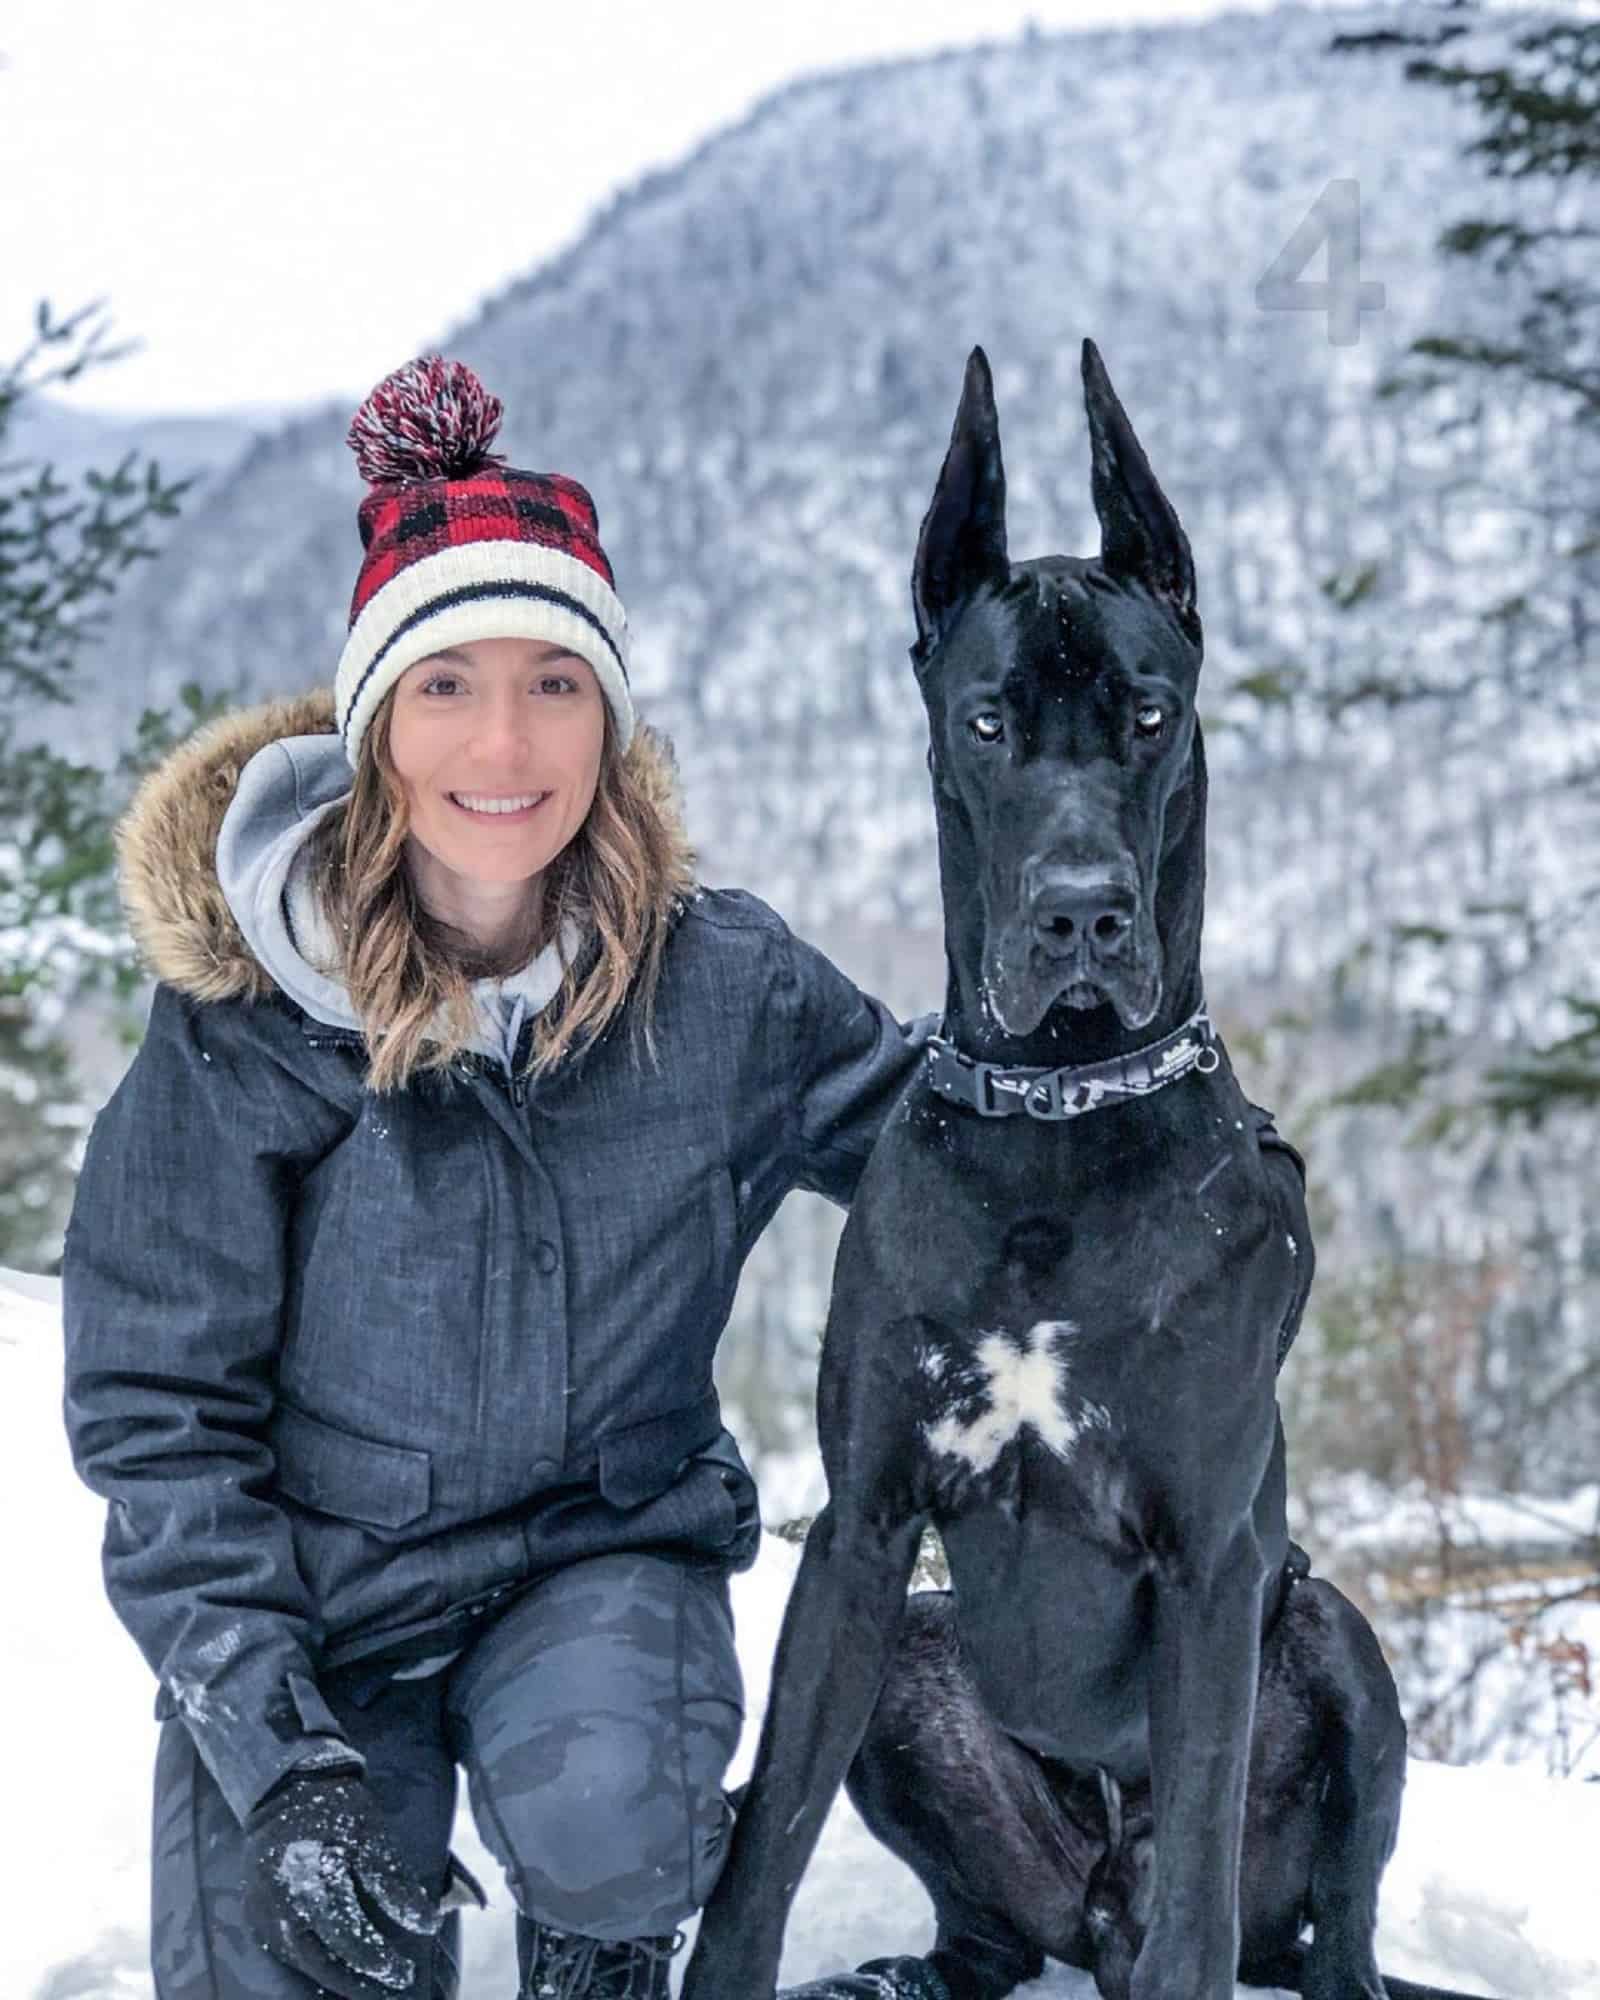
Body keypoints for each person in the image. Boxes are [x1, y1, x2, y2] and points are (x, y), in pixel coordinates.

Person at [61, 355, 937, 2000]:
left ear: (610, 718)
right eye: (447, 683)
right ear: (376, 717)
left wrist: (1141, 1111)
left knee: (612, 1810)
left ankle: (601, 1949)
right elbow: (155, 1412)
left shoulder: (721, 988)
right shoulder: (247, 1024)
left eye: (556, 681)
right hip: (317, 1603)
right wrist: (280, 1758)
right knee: (300, 1955)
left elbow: (946, 1155)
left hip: (600, 1558)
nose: (505, 741)